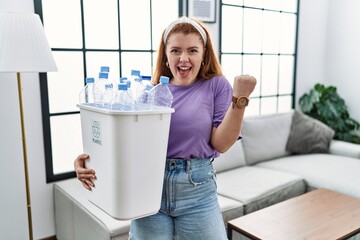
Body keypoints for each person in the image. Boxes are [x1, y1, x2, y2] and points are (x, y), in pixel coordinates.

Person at [74, 16, 256, 240]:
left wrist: (240, 99)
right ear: (166, 55)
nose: (184, 58)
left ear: (204, 54)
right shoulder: (149, 93)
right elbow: (127, 144)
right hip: (148, 188)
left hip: (197, 190)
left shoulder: (216, 85)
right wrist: (91, 161)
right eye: (176, 50)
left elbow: (222, 143)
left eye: (192, 50)